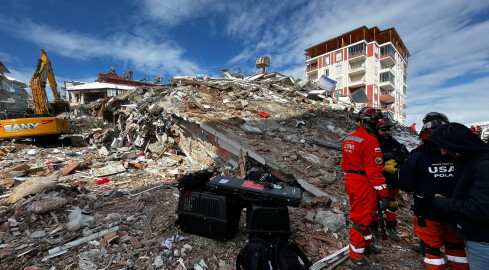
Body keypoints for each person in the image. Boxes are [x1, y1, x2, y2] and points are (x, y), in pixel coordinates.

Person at [384, 116, 469, 270]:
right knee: (456, 247)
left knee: (431, 248)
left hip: (429, 211)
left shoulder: (418, 157)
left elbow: (407, 184)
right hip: (457, 210)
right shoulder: (462, 157)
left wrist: (395, 173)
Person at [423, 122, 489, 270]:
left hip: (483, 241)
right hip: (478, 237)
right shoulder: (474, 161)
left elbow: (481, 209)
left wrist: (440, 202)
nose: (443, 153)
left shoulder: (484, 165)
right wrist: (449, 197)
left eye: (444, 147)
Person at [341, 107, 390, 269]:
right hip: (364, 183)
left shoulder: (349, 138)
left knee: (367, 216)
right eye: (377, 122)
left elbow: (344, 164)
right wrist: (384, 194)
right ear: (372, 122)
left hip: (351, 179)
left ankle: (367, 245)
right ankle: (356, 257)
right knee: (361, 220)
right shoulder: (370, 141)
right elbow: (375, 171)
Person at [371, 118, 409, 241]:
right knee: (374, 205)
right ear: (377, 130)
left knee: (392, 204)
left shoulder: (394, 143)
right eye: (384, 130)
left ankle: (392, 227)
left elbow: (405, 153)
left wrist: (395, 161)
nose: (387, 132)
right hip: (376, 179)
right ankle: (374, 228)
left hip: (391, 180)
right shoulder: (372, 142)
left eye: (388, 129)